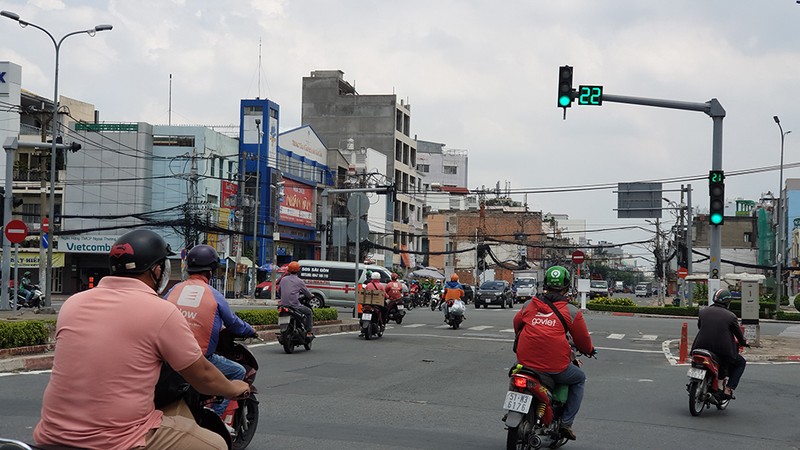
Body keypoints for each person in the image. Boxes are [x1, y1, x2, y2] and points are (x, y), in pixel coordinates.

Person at [34, 229, 249, 450]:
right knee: (216, 445)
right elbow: (203, 375)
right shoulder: (162, 310)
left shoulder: (73, 304)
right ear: (156, 270)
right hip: (119, 438)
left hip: (51, 433)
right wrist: (233, 388)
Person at [164, 244, 257, 417]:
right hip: (200, 358)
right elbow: (234, 324)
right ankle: (215, 418)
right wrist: (250, 330)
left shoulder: (173, 290)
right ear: (211, 271)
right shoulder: (215, 295)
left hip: (168, 357)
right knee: (238, 371)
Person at [512, 265, 595, 441]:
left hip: (525, 362)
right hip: (555, 367)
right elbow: (582, 340)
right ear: (566, 287)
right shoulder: (571, 311)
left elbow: (517, 324)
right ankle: (566, 423)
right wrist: (589, 351)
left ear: (546, 284)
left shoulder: (529, 304)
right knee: (579, 378)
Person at [691, 289, 748, 401]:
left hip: (699, 346)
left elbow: (700, 326)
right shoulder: (731, 316)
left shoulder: (703, 312)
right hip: (721, 350)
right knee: (741, 362)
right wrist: (744, 342)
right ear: (728, 302)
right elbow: (738, 334)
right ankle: (728, 389)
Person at [278, 261, 315, 337]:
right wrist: (311, 296)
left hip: (283, 305)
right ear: (298, 270)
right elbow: (307, 293)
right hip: (294, 306)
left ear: (288, 270)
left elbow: (279, 291)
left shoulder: (283, 279)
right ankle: (308, 331)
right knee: (309, 312)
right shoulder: (299, 281)